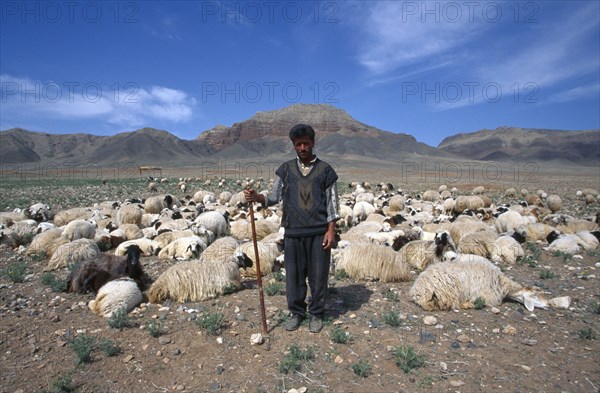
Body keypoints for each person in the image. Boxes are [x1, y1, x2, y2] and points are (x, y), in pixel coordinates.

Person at [244, 123, 340, 333]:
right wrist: (257, 197)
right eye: (299, 144)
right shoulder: (285, 169)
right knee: (294, 277)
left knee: (318, 275)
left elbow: (332, 204)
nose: (303, 147)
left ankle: (316, 313)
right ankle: (297, 312)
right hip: (293, 232)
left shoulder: (326, 170)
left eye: (306, 143)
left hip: (318, 232)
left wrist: (330, 230)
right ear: (294, 146)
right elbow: (272, 197)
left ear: (313, 144)